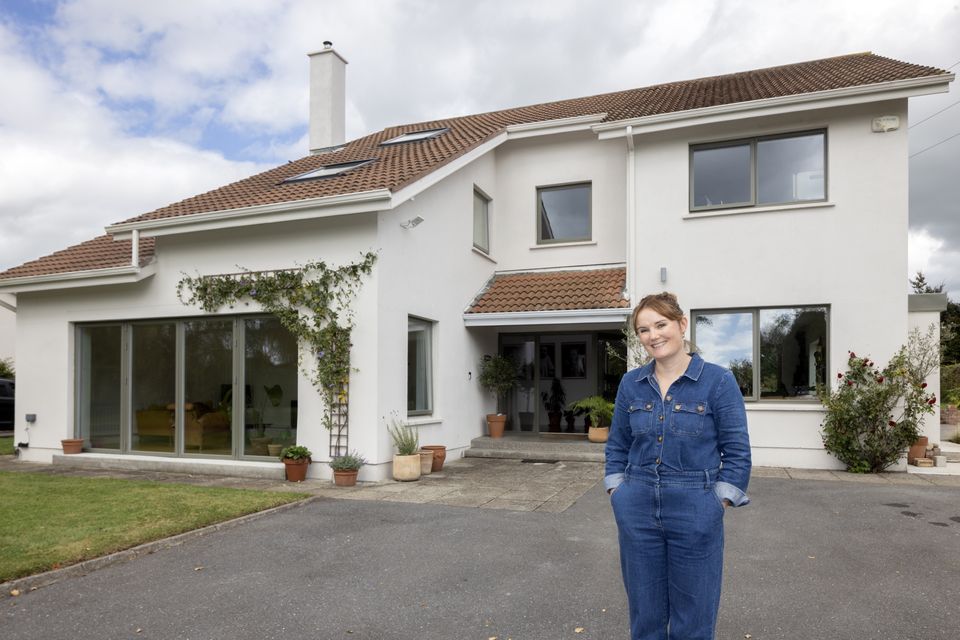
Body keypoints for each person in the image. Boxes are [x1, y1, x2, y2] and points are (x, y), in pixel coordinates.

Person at [605, 292, 751, 640]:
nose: (653, 335)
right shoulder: (631, 383)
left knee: (694, 617)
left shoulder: (718, 381)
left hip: (696, 505)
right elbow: (617, 444)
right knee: (646, 616)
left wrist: (718, 502)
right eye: (643, 330)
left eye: (660, 324)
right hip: (637, 505)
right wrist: (617, 491)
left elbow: (737, 451)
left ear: (682, 324)